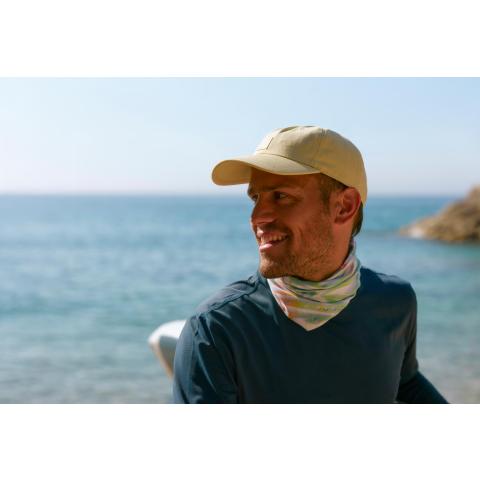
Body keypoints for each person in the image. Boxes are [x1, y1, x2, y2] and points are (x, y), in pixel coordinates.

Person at [173, 125, 448, 403]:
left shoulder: (396, 302)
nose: (258, 217)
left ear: (344, 206)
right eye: (256, 198)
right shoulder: (216, 329)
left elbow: (405, 381)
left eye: (281, 196)